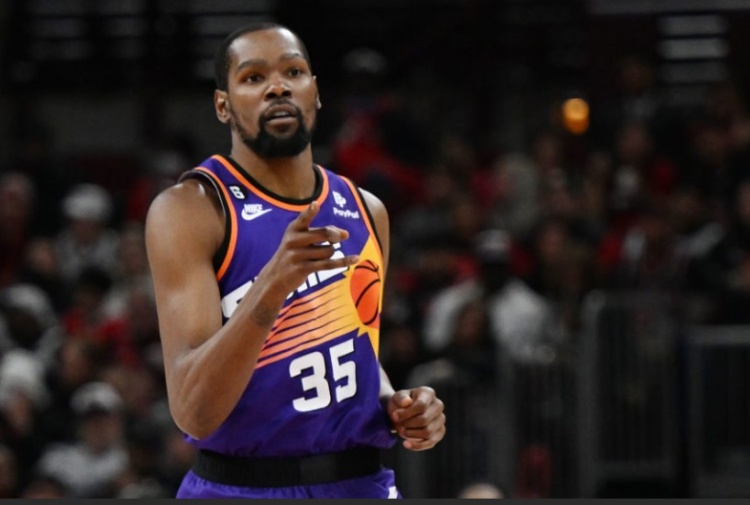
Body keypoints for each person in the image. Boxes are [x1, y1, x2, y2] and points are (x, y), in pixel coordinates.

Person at [144, 22, 446, 499]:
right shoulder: (192, 210)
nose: (278, 87)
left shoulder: (366, 210)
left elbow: (357, 352)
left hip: (360, 483)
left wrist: (396, 403)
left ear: (316, 92)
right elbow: (194, 413)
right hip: (239, 486)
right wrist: (271, 287)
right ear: (223, 105)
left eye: (293, 72)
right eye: (253, 77)